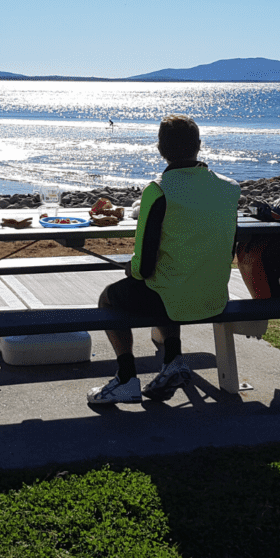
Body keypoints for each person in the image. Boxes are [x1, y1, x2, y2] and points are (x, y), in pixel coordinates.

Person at [87, 114, 241, 405]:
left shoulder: (158, 191)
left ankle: (126, 378)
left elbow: (143, 267)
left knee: (109, 298)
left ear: (160, 149)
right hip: (214, 296)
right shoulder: (229, 188)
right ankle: (172, 360)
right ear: (199, 145)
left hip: (175, 297)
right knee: (171, 279)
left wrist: (129, 269)